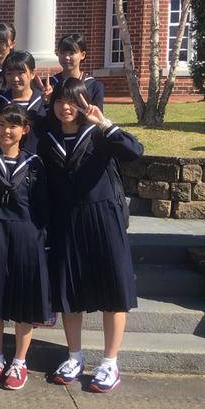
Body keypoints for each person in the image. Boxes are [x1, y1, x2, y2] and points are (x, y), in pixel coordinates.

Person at [39, 78, 143, 392]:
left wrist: (105, 123)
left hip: (102, 218)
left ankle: (110, 362)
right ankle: (74, 356)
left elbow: (134, 151)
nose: (66, 107)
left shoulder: (98, 134)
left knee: (113, 289)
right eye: (60, 101)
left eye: (73, 101)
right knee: (69, 293)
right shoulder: (48, 138)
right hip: (66, 220)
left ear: (85, 104)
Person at [0, 105, 51, 390]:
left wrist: (41, 239)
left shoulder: (35, 163)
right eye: (2, 124)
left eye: (13, 125)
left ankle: (19, 361)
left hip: (26, 235)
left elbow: (43, 206)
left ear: (25, 130)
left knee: (24, 300)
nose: (7, 131)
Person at [0, 50, 51, 153]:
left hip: (39, 159)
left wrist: (48, 104)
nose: (15, 78)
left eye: (21, 73)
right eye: (9, 73)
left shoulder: (43, 101)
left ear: (32, 73)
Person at [49, 33, 105, 111]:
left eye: (71, 53)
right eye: (62, 53)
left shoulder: (93, 86)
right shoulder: (50, 84)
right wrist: (47, 101)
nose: (66, 57)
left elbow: (97, 116)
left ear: (83, 55)